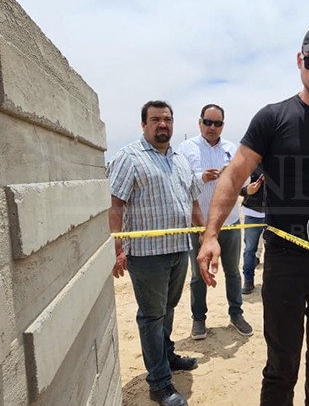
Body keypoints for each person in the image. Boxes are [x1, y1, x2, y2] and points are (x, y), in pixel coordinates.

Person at [196, 20, 309, 405]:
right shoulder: (272, 118)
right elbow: (232, 176)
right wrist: (211, 236)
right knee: (281, 365)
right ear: (300, 60)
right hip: (284, 257)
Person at [108, 100, 204, 406]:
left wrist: (203, 238)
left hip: (179, 248)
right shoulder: (129, 157)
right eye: (155, 119)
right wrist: (117, 247)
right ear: (143, 124)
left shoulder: (180, 160)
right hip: (148, 254)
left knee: (169, 307)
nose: (162, 124)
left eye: (167, 119)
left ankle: (166, 355)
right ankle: (160, 384)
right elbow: (115, 204)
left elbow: (193, 204)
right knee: (151, 315)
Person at [178, 104, 253, 339]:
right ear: (199, 122)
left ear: (223, 125)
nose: (212, 127)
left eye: (217, 123)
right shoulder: (185, 149)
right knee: (197, 276)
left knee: (233, 272)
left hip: (229, 223)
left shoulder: (232, 149)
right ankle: (198, 319)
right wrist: (201, 177)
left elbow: (242, 184)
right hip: (198, 225)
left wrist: (249, 189)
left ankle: (236, 313)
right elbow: (178, 181)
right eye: (208, 122)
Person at [239, 164, 266, 295]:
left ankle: (270, 282)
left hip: (274, 214)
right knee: (250, 250)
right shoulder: (249, 163)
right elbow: (237, 186)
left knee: (274, 250)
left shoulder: (278, 161)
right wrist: (246, 191)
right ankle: (248, 281)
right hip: (252, 213)